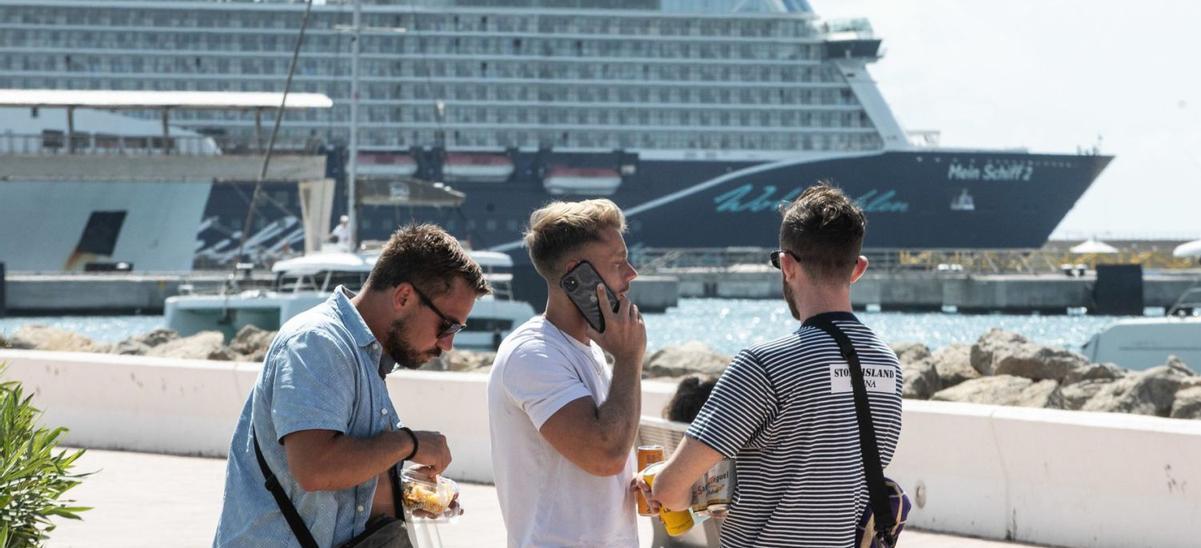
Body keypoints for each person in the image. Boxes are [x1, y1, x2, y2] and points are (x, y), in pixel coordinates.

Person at [641, 183, 904, 547]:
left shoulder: (765, 364)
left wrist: (664, 485)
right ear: (858, 269)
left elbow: (671, 489)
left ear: (786, 264)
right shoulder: (888, 366)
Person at [214, 224, 491, 547]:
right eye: (448, 326)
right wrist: (409, 443)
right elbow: (315, 468)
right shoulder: (318, 342)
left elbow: (345, 484)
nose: (447, 345)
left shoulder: (366, 356)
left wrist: (412, 496)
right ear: (403, 297)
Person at [487, 199, 647, 547]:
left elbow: (605, 465)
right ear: (577, 274)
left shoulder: (588, 351)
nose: (631, 273)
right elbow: (605, 456)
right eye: (619, 263)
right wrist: (629, 358)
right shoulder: (533, 354)